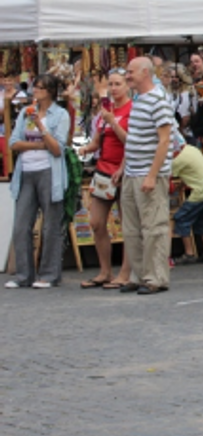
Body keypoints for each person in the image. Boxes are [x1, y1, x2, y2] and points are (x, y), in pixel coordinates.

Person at [115, 57, 175, 295]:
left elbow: (164, 141)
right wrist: (124, 169)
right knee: (131, 228)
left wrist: (152, 175)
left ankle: (156, 277)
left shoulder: (158, 101)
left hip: (148, 174)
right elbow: (135, 140)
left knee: (154, 227)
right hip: (132, 172)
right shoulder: (139, 100)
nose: (127, 76)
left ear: (145, 73)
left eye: (130, 72)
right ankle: (139, 274)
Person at [6, 75, 70, 289]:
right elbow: (13, 143)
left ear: (50, 92)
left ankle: (49, 274)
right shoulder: (25, 113)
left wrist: (41, 127)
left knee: (50, 225)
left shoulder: (60, 115)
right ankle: (24, 274)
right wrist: (37, 145)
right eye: (35, 88)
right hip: (26, 171)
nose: (36, 92)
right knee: (21, 224)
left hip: (49, 171)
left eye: (41, 89)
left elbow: (57, 148)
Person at [75, 68, 133, 288]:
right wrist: (82, 150)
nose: (114, 88)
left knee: (128, 223)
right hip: (104, 169)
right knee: (96, 222)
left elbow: (131, 141)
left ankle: (125, 273)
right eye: (111, 84)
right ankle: (105, 270)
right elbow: (97, 142)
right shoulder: (104, 113)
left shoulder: (132, 110)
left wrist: (114, 122)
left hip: (125, 169)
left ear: (127, 86)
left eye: (118, 84)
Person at [171, 138, 203, 265]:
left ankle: (189, 253)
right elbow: (194, 170)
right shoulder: (192, 149)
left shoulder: (176, 161)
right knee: (202, 219)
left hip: (202, 191)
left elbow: (167, 178)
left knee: (181, 218)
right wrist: (184, 182)